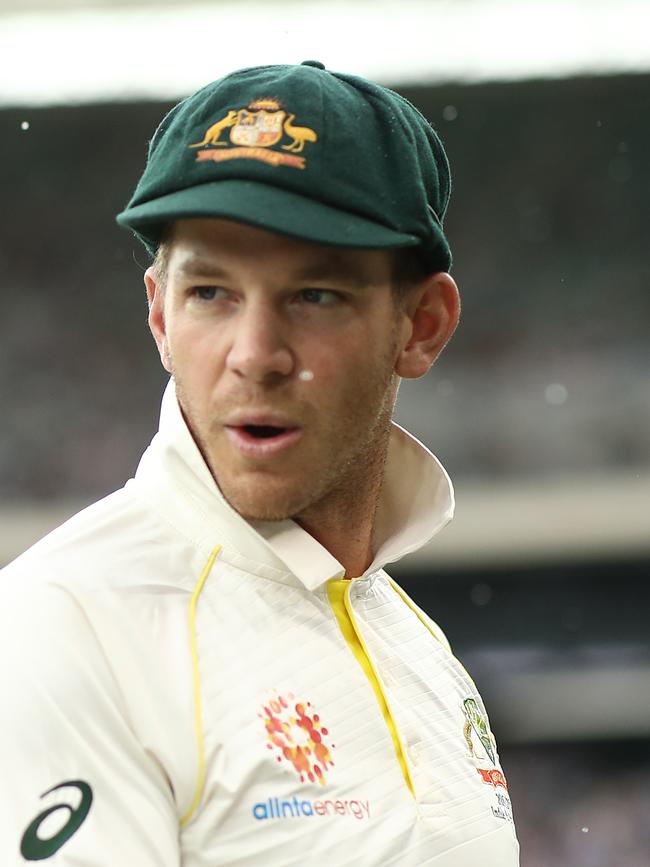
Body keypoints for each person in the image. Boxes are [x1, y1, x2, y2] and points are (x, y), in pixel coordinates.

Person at [0, 61, 519, 865]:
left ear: (422, 324)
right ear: (158, 314)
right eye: (210, 292)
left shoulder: (410, 638)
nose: (255, 356)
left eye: (314, 295)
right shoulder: (62, 625)